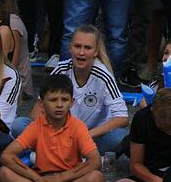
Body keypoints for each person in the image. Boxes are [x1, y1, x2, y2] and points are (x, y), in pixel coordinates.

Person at [0, 74, 103, 182]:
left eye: (64, 100)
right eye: (53, 100)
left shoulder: (78, 126)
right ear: (41, 103)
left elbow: (95, 161)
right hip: (41, 180)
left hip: (68, 180)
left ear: (72, 102)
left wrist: (59, 179)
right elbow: (6, 156)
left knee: (96, 178)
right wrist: (38, 179)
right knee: (3, 173)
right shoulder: (36, 126)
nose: (59, 105)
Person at [22, 25, 129, 154]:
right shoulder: (61, 70)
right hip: (59, 132)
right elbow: (37, 110)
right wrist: (53, 133)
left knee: (119, 138)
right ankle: (63, 151)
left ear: (96, 52)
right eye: (77, 46)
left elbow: (122, 117)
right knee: (19, 125)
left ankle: (59, 152)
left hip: (91, 136)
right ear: (70, 48)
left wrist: (85, 135)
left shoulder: (104, 76)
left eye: (87, 48)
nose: (81, 52)